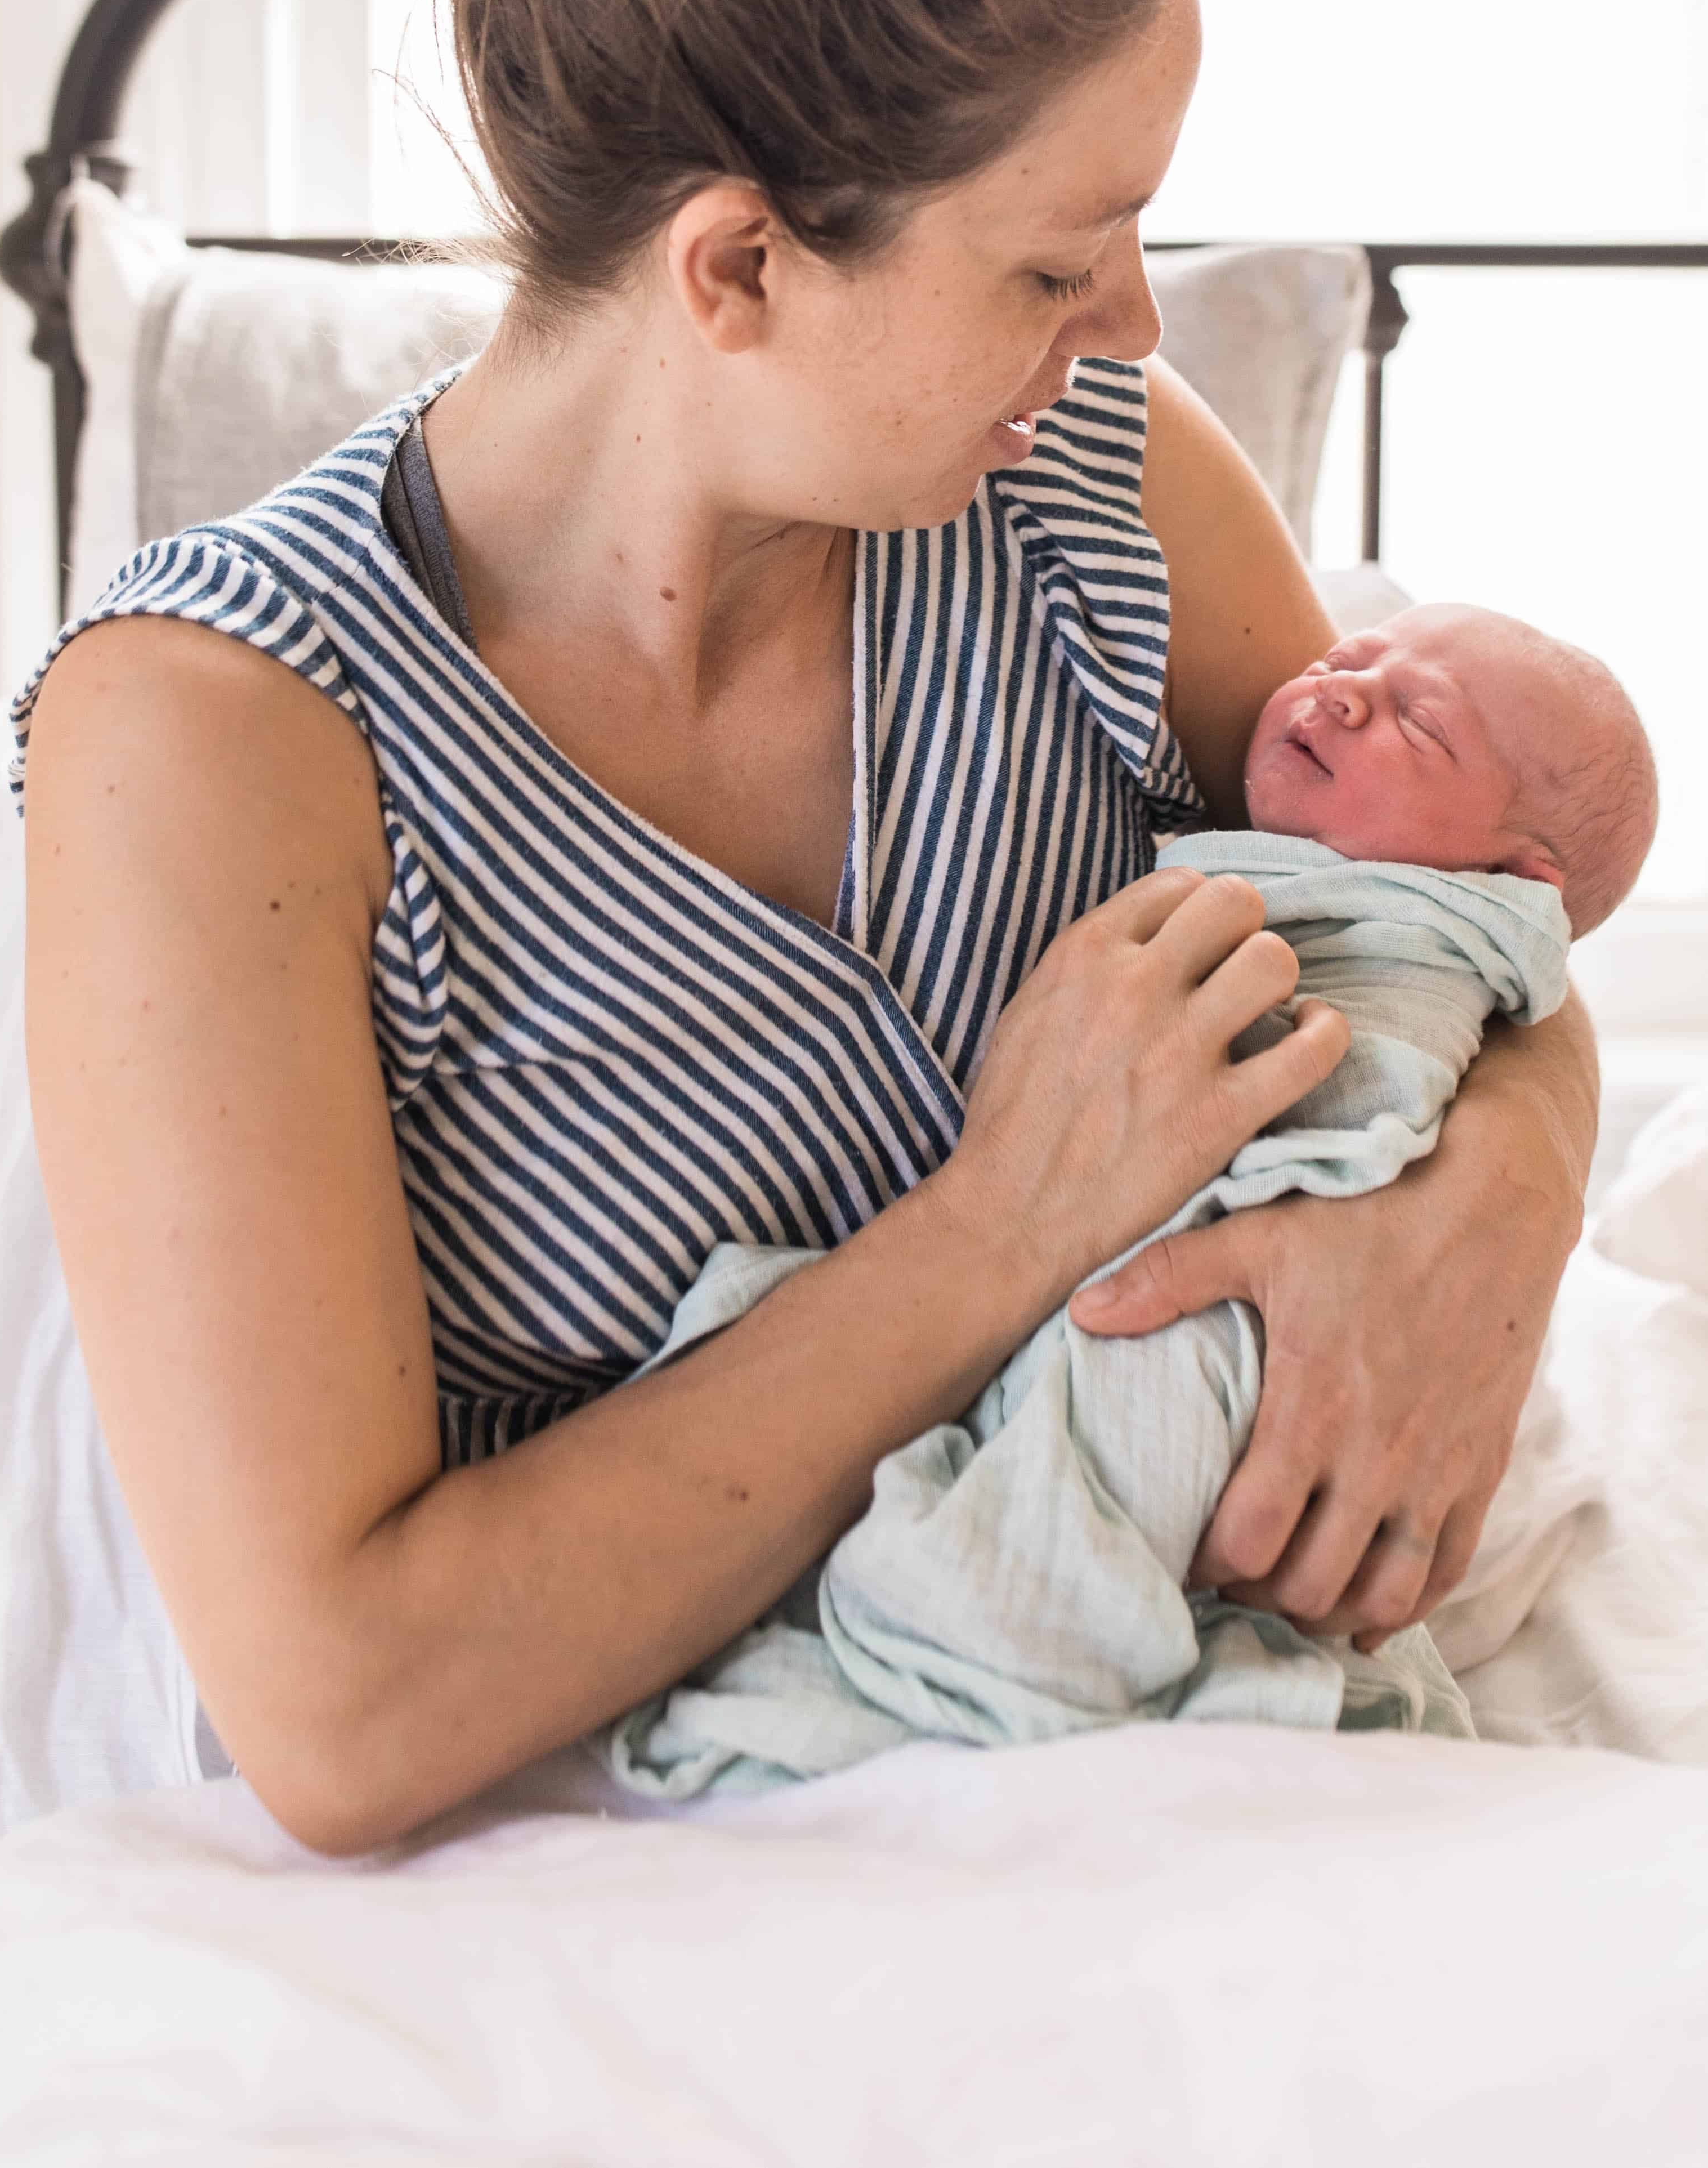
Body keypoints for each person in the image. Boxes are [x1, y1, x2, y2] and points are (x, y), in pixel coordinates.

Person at [16, 0, 1602, 1858]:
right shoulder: (219, 744)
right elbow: (342, 1712)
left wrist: (1511, 1183)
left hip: (1168, 1812)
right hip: (602, 1898)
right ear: (739, 269)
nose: (1135, 323)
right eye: (1056, 260)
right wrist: (999, 1227)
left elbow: (1466, 928)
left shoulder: (1103, 489)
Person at [602, 604, 1654, 1795]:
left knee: (1157, 1377)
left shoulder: (1426, 931)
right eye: (1345, 658)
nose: (1344, 693)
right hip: (1027, 1262)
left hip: (1272, 1244)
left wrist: (1506, 1163)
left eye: (1419, 721)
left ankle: (988, 1648)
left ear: (1514, 883)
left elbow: (1494, 1009)